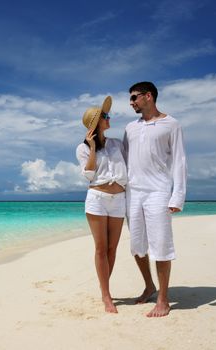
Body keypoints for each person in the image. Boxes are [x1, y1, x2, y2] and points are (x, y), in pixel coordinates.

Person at [123, 82, 187, 317]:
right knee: (137, 245)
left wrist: (177, 196)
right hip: (133, 193)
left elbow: (180, 161)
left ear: (148, 96)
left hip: (159, 191)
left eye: (134, 98)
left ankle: (163, 298)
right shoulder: (130, 127)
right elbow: (125, 160)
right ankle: (149, 285)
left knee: (160, 245)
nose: (131, 103)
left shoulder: (171, 124)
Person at [76, 96, 127, 313]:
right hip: (97, 199)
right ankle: (106, 295)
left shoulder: (117, 144)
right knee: (100, 249)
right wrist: (93, 145)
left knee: (112, 249)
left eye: (107, 115)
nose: (109, 118)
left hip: (119, 200)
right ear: (95, 123)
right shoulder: (83, 148)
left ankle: (104, 287)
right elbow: (88, 175)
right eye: (104, 116)